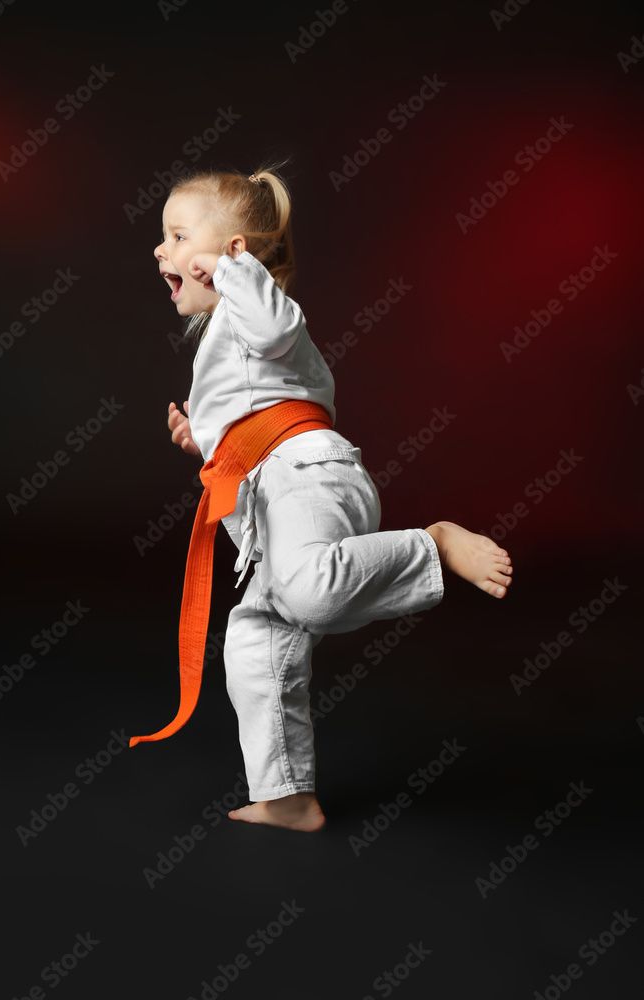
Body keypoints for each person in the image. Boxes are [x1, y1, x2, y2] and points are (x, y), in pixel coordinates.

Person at [143, 160, 513, 833]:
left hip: (307, 479)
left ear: (235, 253)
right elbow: (251, 410)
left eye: (176, 235)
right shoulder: (225, 337)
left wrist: (229, 273)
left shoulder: (254, 306)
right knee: (256, 637)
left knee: (312, 591)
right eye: (160, 237)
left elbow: (276, 329)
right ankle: (287, 795)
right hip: (266, 506)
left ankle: (430, 543)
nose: (160, 249)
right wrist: (205, 441)